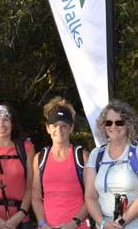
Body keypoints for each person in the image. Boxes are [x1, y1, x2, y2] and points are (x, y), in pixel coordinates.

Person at [84, 99, 138, 229]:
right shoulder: (96, 154)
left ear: (129, 124)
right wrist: (102, 223)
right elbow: (90, 197)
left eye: (119, 122)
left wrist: (120, 223)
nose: (113, 126)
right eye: (108, 122)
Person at [32, 96, 89, 229]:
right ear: (47, 128)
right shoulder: (40, 158)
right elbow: (36, 197)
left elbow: (91, 197)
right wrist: (42, 223)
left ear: (71, 128)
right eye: (55, 126)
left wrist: (73, 223)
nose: (59, 130)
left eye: (64, 126)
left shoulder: (82, 157)